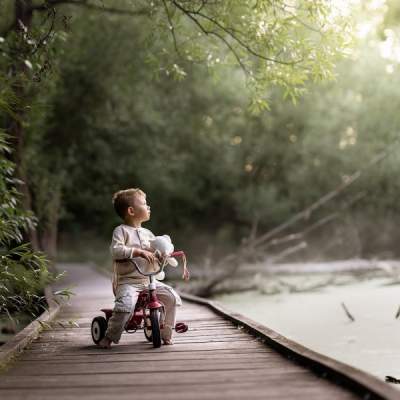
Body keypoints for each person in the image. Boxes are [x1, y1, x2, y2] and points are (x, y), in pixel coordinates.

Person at [98, 188, 189, 348]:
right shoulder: (121, 231)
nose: (148, 207)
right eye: (144, 204)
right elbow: (116, 251)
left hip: (149, 281)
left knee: (171, 298)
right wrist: (137, 251)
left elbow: (156, 250)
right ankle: (109, 336)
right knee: (125, 307)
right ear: (131, 211)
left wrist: (161, 255)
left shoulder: (148, 233)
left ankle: (166, 333)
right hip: (128, 281)